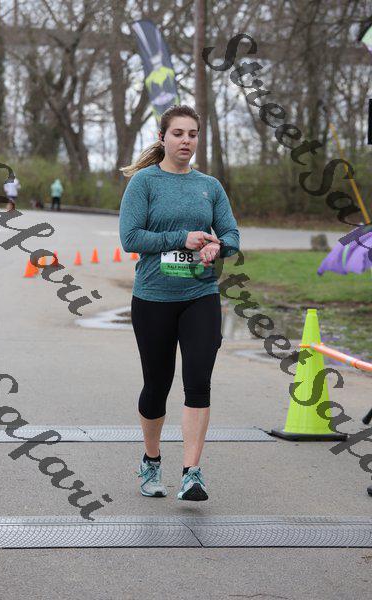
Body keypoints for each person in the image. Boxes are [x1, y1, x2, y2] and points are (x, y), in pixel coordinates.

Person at [119, 104, 240, 502]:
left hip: (200, 295)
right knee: (157, 385)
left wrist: (217, 246)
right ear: (162, 138)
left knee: (198, 382)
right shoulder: (144, 183)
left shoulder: (210, 186)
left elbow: (232, 234)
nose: (186, 140)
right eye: (178, 133)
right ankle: (151, 460)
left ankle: (192, 473)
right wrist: (181, 238)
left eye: (192, 134)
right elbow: (131, 237)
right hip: (153, 297)